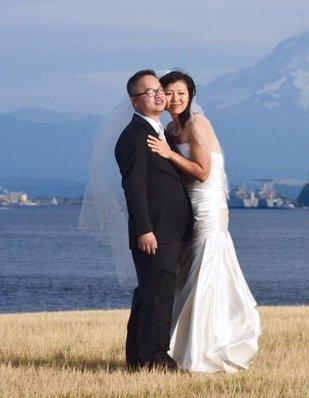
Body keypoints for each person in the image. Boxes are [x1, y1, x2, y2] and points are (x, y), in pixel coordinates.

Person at [147, 71, 261, 373]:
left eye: (181, 93)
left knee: (205, 268)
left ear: (191, 95)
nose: (175, 99)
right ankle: (184, 348)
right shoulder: (171, 128)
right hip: (188, 206)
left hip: (208, 206)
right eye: (169, 93)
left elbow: (202, 172)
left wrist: (169, 155)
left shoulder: (198, 124)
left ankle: (207, 348)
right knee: (190, 272)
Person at [114, 70, 192, 370]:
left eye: (160, 88)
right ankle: (155, 358)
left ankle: (138, 357)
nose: (160, 94)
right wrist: (144, 229)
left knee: (152, 293)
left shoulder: (160, 132)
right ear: (135, 102)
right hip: (154, 232)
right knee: (156, 294)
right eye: (151, 91)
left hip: (170, 230)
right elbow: (133, 187)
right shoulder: (134, 137)